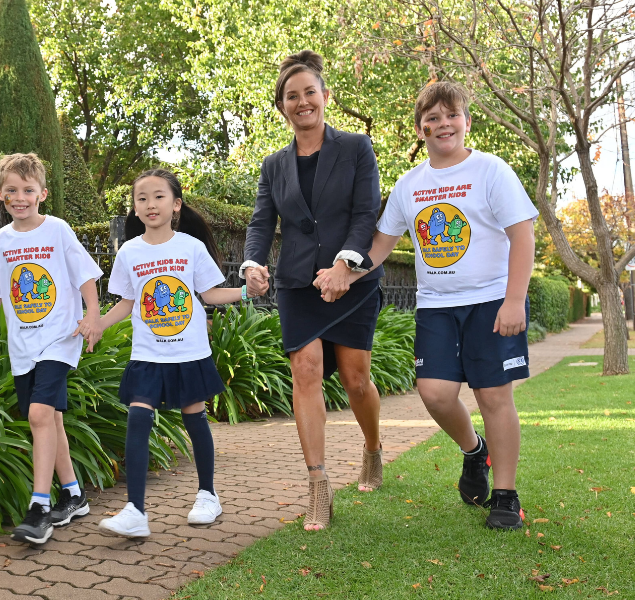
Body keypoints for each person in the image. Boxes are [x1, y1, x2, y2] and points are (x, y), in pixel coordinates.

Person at [339, 81, 538, 530]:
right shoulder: (409, 185)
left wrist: (514, 300)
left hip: (491, 301)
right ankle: (474, 451)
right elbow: (381, 246)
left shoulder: (492, 171)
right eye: (432, 119)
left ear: (466, 122)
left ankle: (505, 495)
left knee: (493, 395)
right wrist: (343, 273)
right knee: (434, 393)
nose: (442, 124)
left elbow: (522, 236)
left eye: (451, 115)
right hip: (436, 307)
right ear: (420, 129)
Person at [242, 50, 385, 532]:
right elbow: (262, 222)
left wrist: (346, 264)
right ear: (282, 106)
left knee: (355, 379)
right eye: (291, 96)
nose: (302, 102)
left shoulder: (356, 148)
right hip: (298, 283)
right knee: (305, 369)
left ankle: (372, 448)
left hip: (351, 280)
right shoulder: (273, 165)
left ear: (325, 97)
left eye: (309, 93)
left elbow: (367, 214)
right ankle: (318, 485)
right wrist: (252, 263)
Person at [93, 168, 258, 538]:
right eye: (142, 198)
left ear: (176, 205)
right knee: (138, 417)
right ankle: (135, 510)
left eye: (159, 196)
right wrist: (99, 324)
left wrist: (248, 293)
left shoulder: (190, 247)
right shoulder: (129, 252)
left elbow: (210, 294)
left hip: (188, 351)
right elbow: (126, 301)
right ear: (135, 209)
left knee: (194, 416)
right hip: (147, 353)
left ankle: (208, 495)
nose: (150, 204)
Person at [0, 153, 104, 544]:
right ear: (0, 194)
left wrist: (93, 314)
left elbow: (85, 275)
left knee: (37, 416)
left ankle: (40, 507)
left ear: (42, 194)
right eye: (12, 190)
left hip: (59, 340)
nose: (20, 197)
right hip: (22, 347)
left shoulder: (58, 230)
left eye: (28, 190)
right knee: (52, 421)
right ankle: (75, 495)